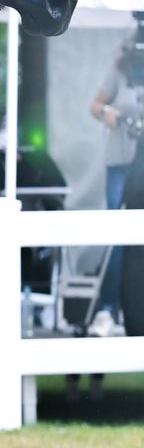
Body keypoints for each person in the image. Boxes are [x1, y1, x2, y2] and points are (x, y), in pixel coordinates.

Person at [87, 38, 142, 337]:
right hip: (122, 162)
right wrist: (109, 114)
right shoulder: (121, 69)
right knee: (117, 235)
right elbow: (95, 106)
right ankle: (107, 308)